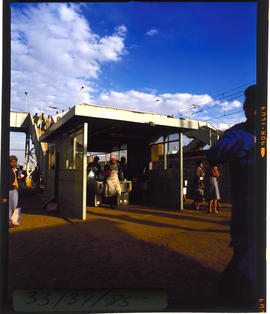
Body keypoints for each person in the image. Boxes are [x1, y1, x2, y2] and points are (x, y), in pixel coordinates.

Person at [207, 85, 256, 301]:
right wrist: (251, 143)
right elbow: (215, 153)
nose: (252, 112)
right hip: (246, 221)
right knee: (241, 277)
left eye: (258, 107)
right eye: (249, 107)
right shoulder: (239, 132)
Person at [9, 156, 21, 227]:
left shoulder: (13, 169)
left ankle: (12, 221)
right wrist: (12, 186)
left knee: (14, 206)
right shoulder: (8, 170)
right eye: (13, 162)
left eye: (15, 162)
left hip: (14, 189)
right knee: (11, 206)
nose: (14, 163)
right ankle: (9, 222)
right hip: (11, 190)